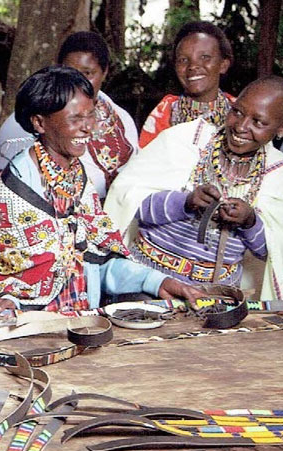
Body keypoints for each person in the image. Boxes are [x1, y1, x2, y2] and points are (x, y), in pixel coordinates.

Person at [0, 66, 202, 312]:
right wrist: (11, 301)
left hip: (85, 322)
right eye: (75, 118)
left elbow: (97, 261)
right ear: (40, 123)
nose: (88, 128)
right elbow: (5, 284)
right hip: (36, 332)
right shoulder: (13, 191)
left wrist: (158, 281)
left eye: (91, 115)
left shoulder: (76, 177)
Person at [105, 76, 283, 300]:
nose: (241, 126)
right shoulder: (185, 141)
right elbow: (131, 205)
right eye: (237, 111)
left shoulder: (277, 174)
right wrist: (185, 203)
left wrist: (249, 222)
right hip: (150, 283)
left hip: (217, 296)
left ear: (280, 129)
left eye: (258, 122)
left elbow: (273, 254)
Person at [0, 31, 138, 199]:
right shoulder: (22, 123)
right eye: (69, 71)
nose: (76, 80)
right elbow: (0, 182)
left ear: (104, 73)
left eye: (87, 73)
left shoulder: (121, 120)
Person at [139, 21, 234, 149]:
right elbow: (144, 164)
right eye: (183, 60)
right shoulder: (164, 113)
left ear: (223, 65)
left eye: (205, 57)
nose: (193, 66)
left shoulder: (242, 111)